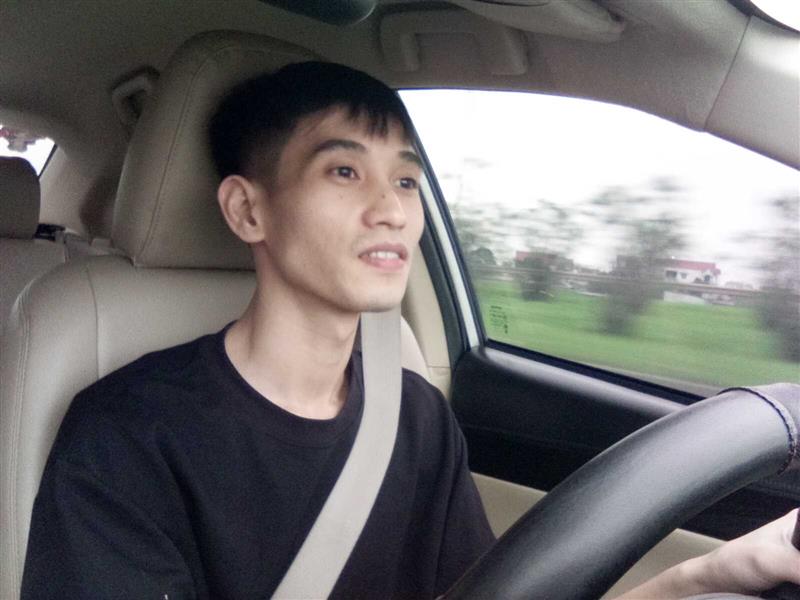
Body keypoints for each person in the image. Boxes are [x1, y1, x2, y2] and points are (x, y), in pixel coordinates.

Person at [21, 61, 800, 599]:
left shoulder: (414, 415)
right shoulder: (127, 439)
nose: (392, 208)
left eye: (405, 179)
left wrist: (705, 576)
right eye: (344, 171)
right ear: (247, 210)